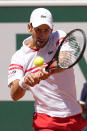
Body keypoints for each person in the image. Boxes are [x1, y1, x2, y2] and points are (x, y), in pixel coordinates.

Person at [8, 8, 87, 131]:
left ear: (52, 30)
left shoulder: (58, 36)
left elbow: (65, 60)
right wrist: (24, 82)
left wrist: (47, 70)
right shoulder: (19, 57)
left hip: (74, 117)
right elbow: (14, 95)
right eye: (38, 30)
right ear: (29, 27)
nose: (42, 35)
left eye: (46, 30)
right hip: (46, 121)